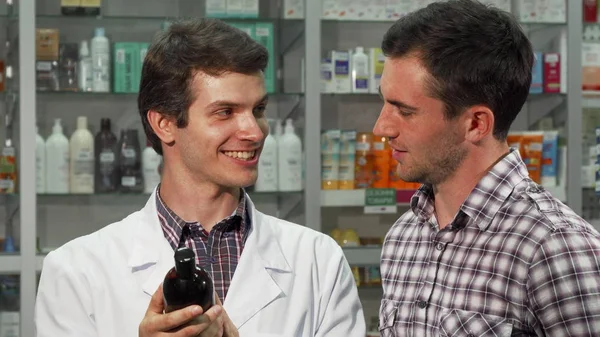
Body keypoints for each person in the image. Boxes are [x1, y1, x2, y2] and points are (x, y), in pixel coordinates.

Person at [35, 18, 365, 337]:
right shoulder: (75, 271)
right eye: (225, 112)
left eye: (259, 110)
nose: (254, 131)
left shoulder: (319, 261)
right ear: (164, 123)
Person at [374, 1, 600, 336]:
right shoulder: (404, 237)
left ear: (477, 124)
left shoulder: (557, 248)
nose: (381, 127)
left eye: (404, 111)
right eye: (384, 102)